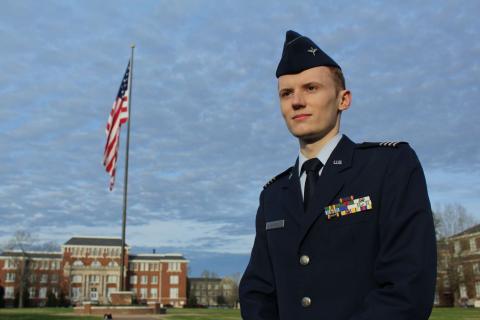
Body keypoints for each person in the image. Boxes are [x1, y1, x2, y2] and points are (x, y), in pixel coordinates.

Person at [239, 30, 437, 320]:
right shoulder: (273, 195)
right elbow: (257, 292)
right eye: (286, 93)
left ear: (343, 99)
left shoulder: (389, 167)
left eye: (311, 88)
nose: (296, 101)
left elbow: (408, 285)